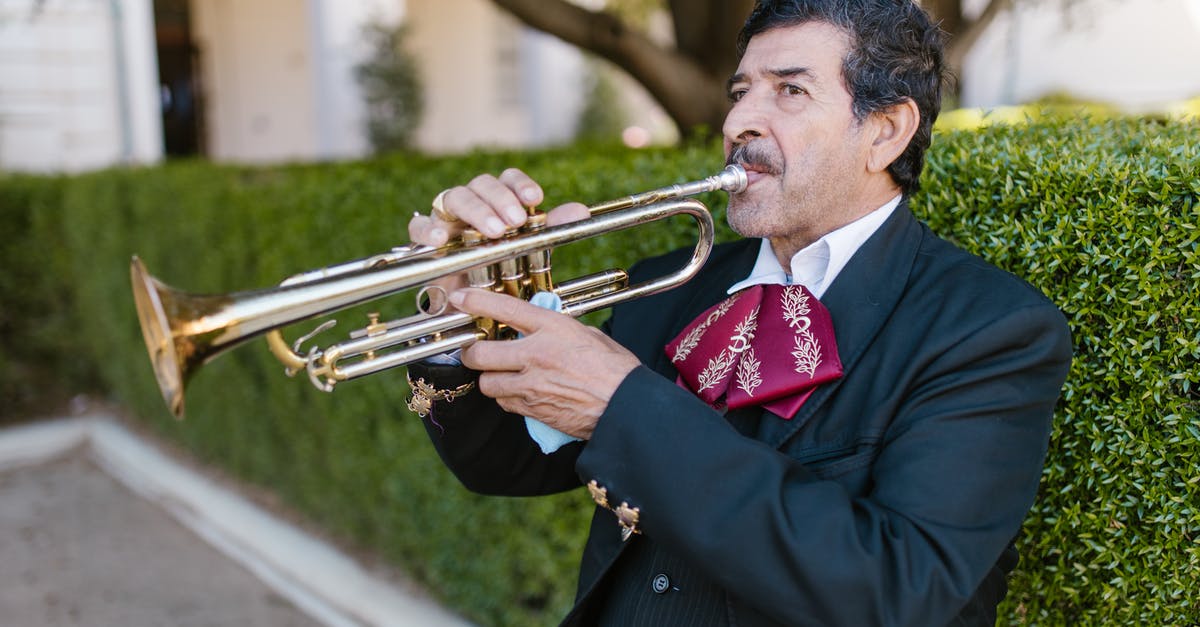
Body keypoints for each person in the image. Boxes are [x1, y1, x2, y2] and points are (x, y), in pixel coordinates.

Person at [404, 1, 1072, 625]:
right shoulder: (666, 285)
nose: (735, 124)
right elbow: (507, 463)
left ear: (886, 131)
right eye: (739, 91)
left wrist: (620, 406)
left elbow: (899, 585)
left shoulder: (990, 331)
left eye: (789, 90)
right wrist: (455, 307)